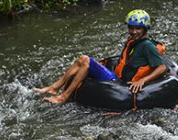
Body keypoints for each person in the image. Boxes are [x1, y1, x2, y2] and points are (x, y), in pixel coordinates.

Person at [34, 9, 168, 104]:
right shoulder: (134, 42)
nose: (133, 32)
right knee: (82, 59)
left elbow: (162, 67)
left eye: (138, 28)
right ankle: (54, 88)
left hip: (121, 85)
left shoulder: (147, 46)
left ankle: (63, 97)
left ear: (145, 28)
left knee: (86, 61)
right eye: (131, 28)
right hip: (117, 78)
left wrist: (143, 80)